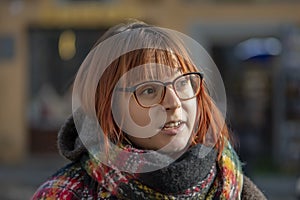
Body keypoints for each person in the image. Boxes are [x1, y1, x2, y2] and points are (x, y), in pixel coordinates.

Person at [32, 19, 266, 199]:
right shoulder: (64, 193)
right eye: (149, 90)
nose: (174, 102)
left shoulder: (235, 188)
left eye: (183, 83)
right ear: (107, 107)